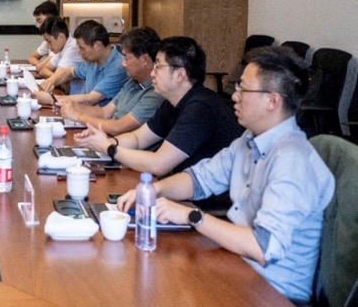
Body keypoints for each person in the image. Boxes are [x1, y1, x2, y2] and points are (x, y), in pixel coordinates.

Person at [117, 46, 334, 304]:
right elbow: (199, 180)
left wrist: (192, 216)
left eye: (244, 89)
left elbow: (263, 247)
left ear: (272, 101)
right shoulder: (249, 140)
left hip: (272, 292)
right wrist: (155, 190)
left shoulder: (293, 161)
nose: (235, 96)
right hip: (235, 263)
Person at [76, 36, 241, 178]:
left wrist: (109, 148)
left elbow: (159, 163)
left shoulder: (200, 108)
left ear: (180, 74)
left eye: (158, 67)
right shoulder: (171, 103)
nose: (152, 73)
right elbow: (138, 139)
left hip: (208, 200)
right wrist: (99, 142)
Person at [58, 26, 163, 136]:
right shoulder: (132, 81)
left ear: (144, 60)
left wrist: (77, 116)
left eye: (126, 58)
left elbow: (118, 127)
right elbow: (104, 112)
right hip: (108, 138)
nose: (123, 64)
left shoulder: (155, 93)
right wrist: (71, 106)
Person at [36, 20, 127, 107]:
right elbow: (69, 72)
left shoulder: (119, 66)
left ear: (97, 45)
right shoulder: (93, 61)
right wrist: (51, 81)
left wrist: (52, 99)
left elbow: (91, 99)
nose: (79, 53)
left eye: (82, 48)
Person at [32, 16, 84, 94]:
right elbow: (43, 70)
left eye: (49, 41)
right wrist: (57, 78)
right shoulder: (61, 48)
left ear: (61, 37)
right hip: (66, 94)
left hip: (76, 97)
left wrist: (57, 78)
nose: (49, 46)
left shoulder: (72, 48)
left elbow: (57, 76)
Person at [26, 0, 60, 76]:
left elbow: (40, 68)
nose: (38, 26)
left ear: (51, 19)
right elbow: (31, 58)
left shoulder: (61, 42)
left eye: (39, 21)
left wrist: (41, 67)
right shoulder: (48, 41)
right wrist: (41, 65)